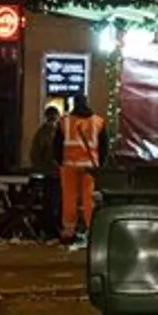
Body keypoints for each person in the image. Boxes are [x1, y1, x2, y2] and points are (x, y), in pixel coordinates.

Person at [53, 94, 107, 245]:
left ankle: (69, 232)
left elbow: (56, 145)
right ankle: (92, 231)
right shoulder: (98, 121)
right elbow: (104, 147)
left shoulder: (65, 122)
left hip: (69, 166)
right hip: (89, 167)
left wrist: (60, 161)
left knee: (69, 198)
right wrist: (99, 164)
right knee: (89, 199)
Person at [29, 105, 62, 239]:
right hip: (53, 174)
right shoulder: (53, 132)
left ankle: (50, 229)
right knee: (53, 202)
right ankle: (51, 229)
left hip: (50, 173)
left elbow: (35, 154)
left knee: (51, 203)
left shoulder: (42, 133)